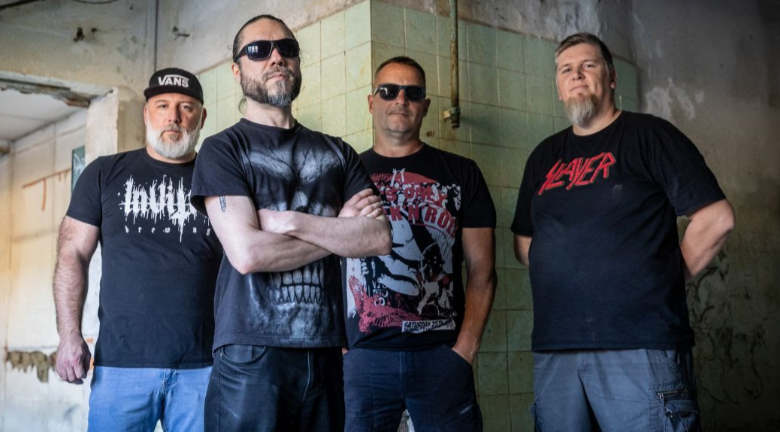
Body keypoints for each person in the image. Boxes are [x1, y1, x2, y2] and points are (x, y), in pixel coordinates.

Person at [511, 32, 735, 431]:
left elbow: (716, 218)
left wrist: (664, 277)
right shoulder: (543, 157)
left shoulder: (649, 135)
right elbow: (525, 241)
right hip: (556, 349)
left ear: (612, 77)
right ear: (559, 88)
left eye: (588, 65)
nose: (576, 75)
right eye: (566, 70)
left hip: (639, 345)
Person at [189, 14, 392, 432]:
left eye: (287, 48)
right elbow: (248, 253)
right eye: (259, 50)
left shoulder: (338, 152)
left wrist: (289, 221)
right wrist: (337, 230)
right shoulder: (223, 149)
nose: (276, 57)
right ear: (237, 70)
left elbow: (377, 237)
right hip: (251, 352)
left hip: (325, 347)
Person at [53, 67, 222, 432]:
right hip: (120, 368)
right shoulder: (103, 174)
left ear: (202, 117)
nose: (174, 117)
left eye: (186, 107)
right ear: (146, 114)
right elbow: (72, 253)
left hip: (206, 367)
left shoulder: (221, 180)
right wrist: (69, 335)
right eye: (162, 106)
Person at [342, 56, 497, 432]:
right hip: (363, 360)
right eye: (388, 91)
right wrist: (342, 352)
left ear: (425, 106)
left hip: (440, 357)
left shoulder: (462, 173)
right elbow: (326, 265)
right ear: (371, 102)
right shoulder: (343, 175)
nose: (401, 99)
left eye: (412, 93)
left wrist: (464, 351)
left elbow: (483, 270)